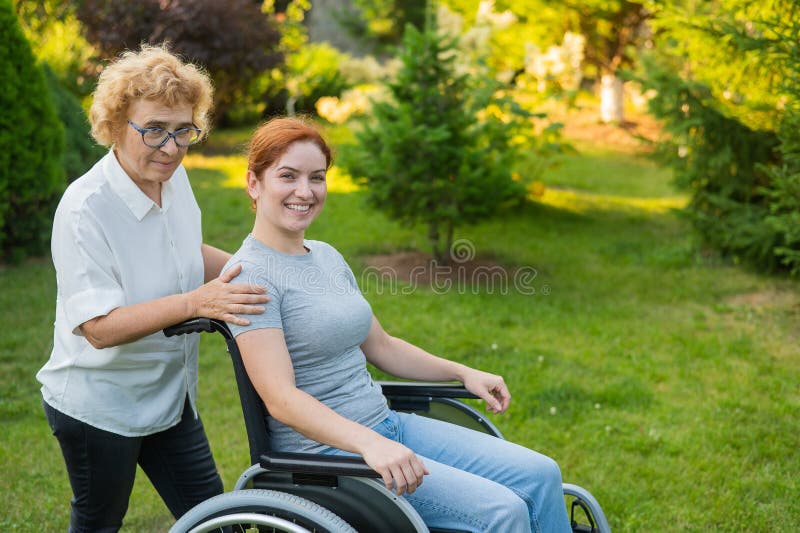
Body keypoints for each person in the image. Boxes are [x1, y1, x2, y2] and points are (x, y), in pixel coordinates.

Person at [224, 117, 572, 532]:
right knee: (504, 512)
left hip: (386, 425)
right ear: (253, 183)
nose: (306, 191)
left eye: (317, 177)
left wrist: (462, 372)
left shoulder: (325, 255)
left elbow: (383, 346)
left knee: (542, 474)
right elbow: (281, 399)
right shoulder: (251, 277)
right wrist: (369, 444)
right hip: (329, 457)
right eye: (288, 176)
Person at [36, 45, 270, 532]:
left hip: (169, 397)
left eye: (184, 130)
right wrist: (195, 302)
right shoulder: (85, 209)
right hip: (99, 406)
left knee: (220, 522)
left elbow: (184, 250)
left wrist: (259, 271)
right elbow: (97, 328)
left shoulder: (172, 176)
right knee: (100, 522)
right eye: (155, 130)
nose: (172, 147)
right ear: (115, 126)